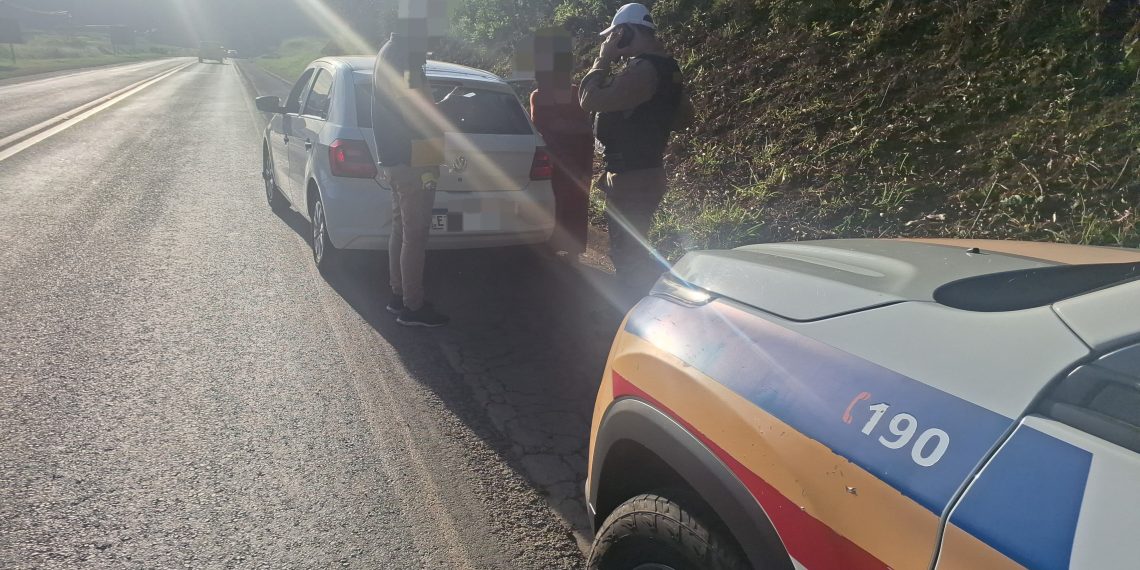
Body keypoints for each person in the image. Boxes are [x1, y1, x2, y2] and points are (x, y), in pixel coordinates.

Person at [580, 3, 693, 290]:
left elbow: (590, 99)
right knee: (635, 247)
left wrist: (602, 60)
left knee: (627, 254)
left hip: (631, 177)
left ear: (628, 32)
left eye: (617, 35)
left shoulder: (643, 70)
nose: (613, 42)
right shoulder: (668, 67)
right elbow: (684, 118)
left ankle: (635, 316)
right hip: (648, 172)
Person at [372, 31, 454, 327]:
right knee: (415, 235)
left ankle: (399, 296)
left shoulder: (389, 50)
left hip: (395, 158)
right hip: (414, 158)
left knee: (401, 229)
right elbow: (417, 108)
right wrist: (444, 107)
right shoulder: (406, 59)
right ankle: (413, 307)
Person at [528, 28, 593, 259]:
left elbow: (541, 129)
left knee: (560, 209)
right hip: (566, 164)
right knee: (567, 209)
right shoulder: (574, 93)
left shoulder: (542, 95)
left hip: (558, 165)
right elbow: (585, 133)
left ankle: (557, 250)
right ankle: (566, 251)